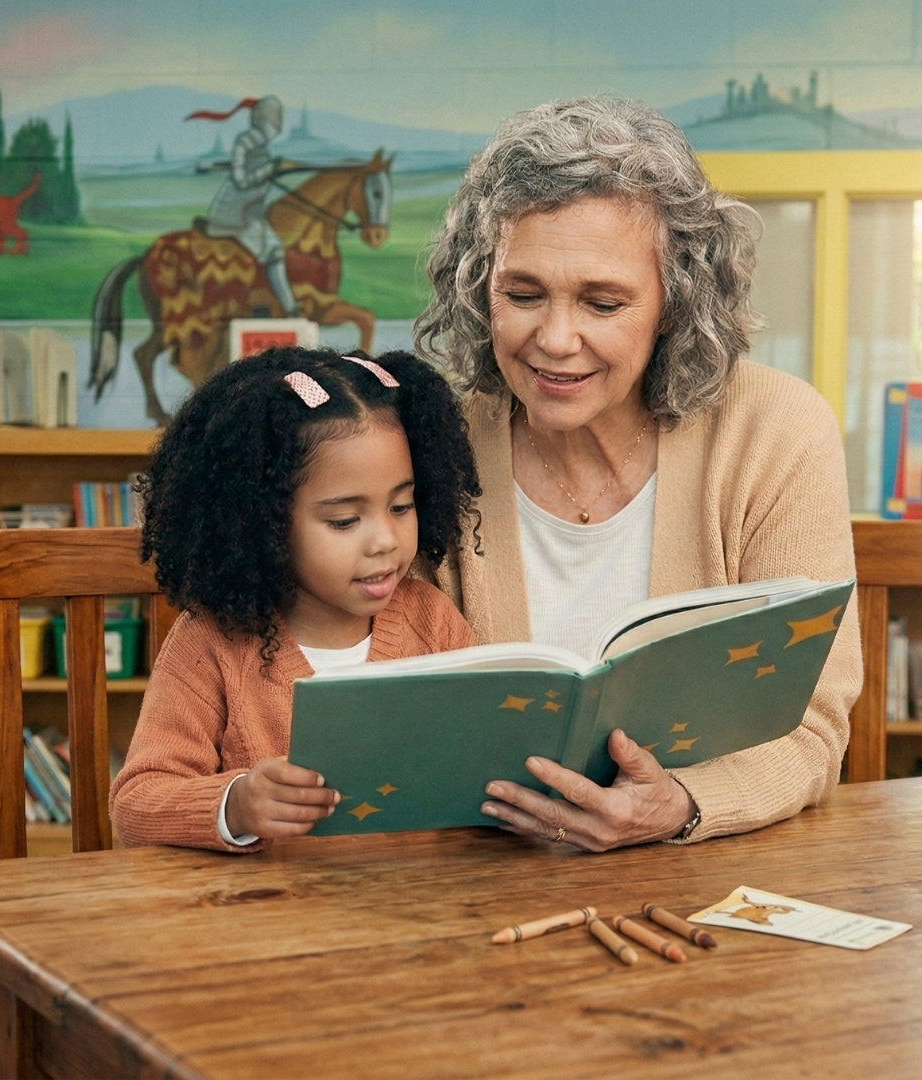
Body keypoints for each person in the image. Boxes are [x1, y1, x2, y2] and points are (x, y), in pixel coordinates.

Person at [413, 95, 862, 851]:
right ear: (476, 286)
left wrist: (682, 803)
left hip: (703, 868)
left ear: (675, 305)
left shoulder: (776, 430)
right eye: (521, 295)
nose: (556, 340)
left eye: (604, 302)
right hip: (483, 876)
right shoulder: (439, 444)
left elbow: (812, 726)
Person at [110, 347, 480, 851]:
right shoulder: (213, 642)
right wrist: (236, 804)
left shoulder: (431, 620)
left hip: (416, 908)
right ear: (262, 523)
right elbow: (135, 804)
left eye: (401, 505)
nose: (385, 541)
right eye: (344, 521)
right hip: (268, 916)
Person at [190, 95, 303, 316]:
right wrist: (271, 169)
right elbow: (242, 181)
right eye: (275, 118)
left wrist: (276, 168)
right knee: (275, 250)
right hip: (235, 215)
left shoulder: (259, 145)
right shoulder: (247, 140)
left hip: (249, 212)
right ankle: (290, 308)